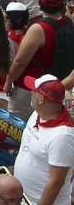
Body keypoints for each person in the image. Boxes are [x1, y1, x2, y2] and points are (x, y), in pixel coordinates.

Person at [14, 74, 74, 205]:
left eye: (34, 90)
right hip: (22, 199)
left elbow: (56, 183)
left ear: (41, 99)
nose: (31, 92)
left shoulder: (62, 136)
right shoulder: (37, 113)